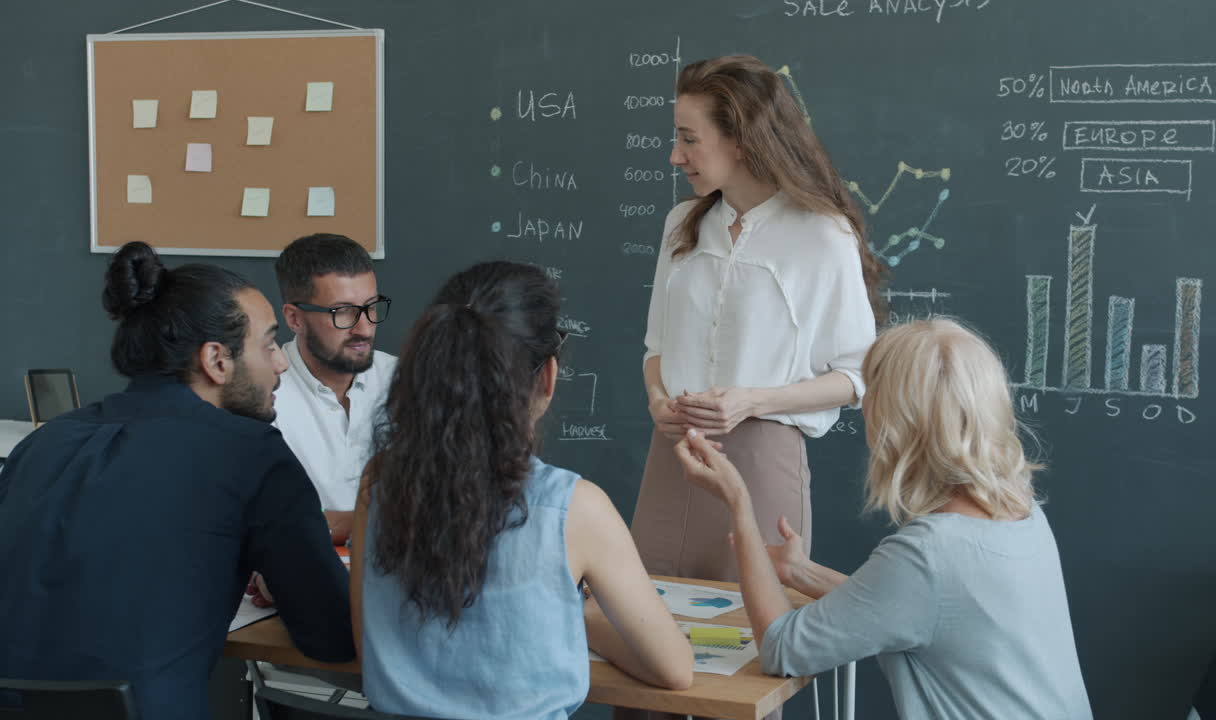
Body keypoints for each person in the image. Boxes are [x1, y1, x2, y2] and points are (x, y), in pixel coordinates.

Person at [0, 242, 353, 720]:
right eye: (269, 344)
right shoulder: (251, 452)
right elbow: (331, 633)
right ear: (217, 360)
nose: (281, 363)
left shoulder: (44, 441)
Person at [674, 318, 1093, 719]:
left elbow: (781, 648)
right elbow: (906, 608)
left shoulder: (929, 552)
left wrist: (738, 503)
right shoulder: (1022, 511)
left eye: (870, 392)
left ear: (896, 422)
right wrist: (801, 571)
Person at [351, 261, 693, 720]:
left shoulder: (380, 481)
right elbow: (674, 669)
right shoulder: (574, 508)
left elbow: (365, 641)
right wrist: (584, 616)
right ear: (547, 377)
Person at [633, 53, 884, 586]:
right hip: (672, 455)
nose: (675, 156)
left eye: (689, 138)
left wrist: (752, 399)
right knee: (647, 625)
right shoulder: (682, 224)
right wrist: (659, 400)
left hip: (760, 460)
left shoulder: (822, 233)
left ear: (741, 139)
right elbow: (656, 348)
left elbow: (857, 377)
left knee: (749, 641)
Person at [272, 233, 395, 546]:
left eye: (371, 307)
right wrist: (375, 520)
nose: (364, 328)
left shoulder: (408, 381)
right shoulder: (263, 394)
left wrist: (333, 522)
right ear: (294, 318)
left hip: (394, 587)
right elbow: (263, 520)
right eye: (342, 312)